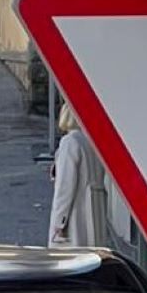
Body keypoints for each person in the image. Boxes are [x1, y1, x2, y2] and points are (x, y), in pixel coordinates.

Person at [49, 104, 105, 247]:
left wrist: (59, 222)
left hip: (74, 218)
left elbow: (65, 187)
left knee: (68, 258)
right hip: (95, 216)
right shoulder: (92, 142)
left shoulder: (70, 142)